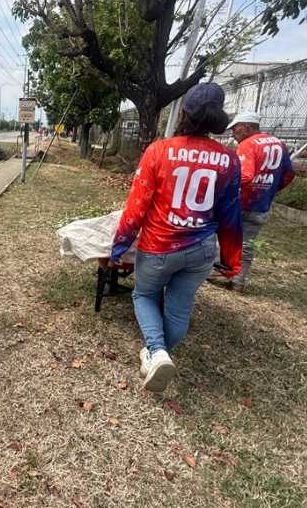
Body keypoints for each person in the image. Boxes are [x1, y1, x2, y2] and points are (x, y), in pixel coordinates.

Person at [109, 83, 243, 392]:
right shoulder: (230, 160)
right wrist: (233, 260)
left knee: (143, 296)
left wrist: (121, 243)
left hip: (158, 247)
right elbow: (230, 215)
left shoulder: (159, 150)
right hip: (201, 250)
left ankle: (156, 351)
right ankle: (161, 354)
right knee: (179, 305)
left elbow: (137, 206)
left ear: (184, 112)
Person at [210, 111, 295, 291]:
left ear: (246, 127)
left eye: (235, 129)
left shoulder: (248, 145)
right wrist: (271, 189)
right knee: (247, 243)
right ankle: (237, 282)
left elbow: (246, 175)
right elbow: (289, 174)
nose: (232, 133)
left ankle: (217, 272)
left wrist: (222, 188)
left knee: (219, 235)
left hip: (240, 202)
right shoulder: (279, 144)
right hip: (261, 205)